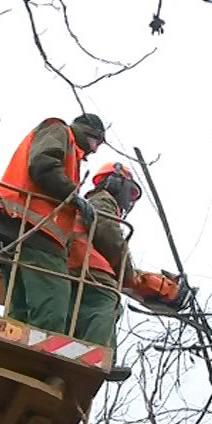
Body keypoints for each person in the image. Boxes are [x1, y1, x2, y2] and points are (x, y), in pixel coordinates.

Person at [66, 162, 193, 381]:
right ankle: (94, 357)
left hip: (82, 261)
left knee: (93, 302)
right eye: (130, 192)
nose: (130, 199)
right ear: (115, 183)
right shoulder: (102, 200)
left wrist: (136, 279)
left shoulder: (89, 203)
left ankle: (79, 350)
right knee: (106, 299)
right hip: (83, 262)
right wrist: (127, 273)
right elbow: (110, 238)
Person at [0, 113, 106, 333]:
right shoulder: (60, 131)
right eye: (96, 141)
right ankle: (39, 361)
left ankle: (12, 353)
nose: (95, 149)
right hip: (34, 230)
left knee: (20, 309)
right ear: (86, 132)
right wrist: (73, 196)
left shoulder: (69, 150)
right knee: (53, 306)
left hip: (12, 226)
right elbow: (43, 164)